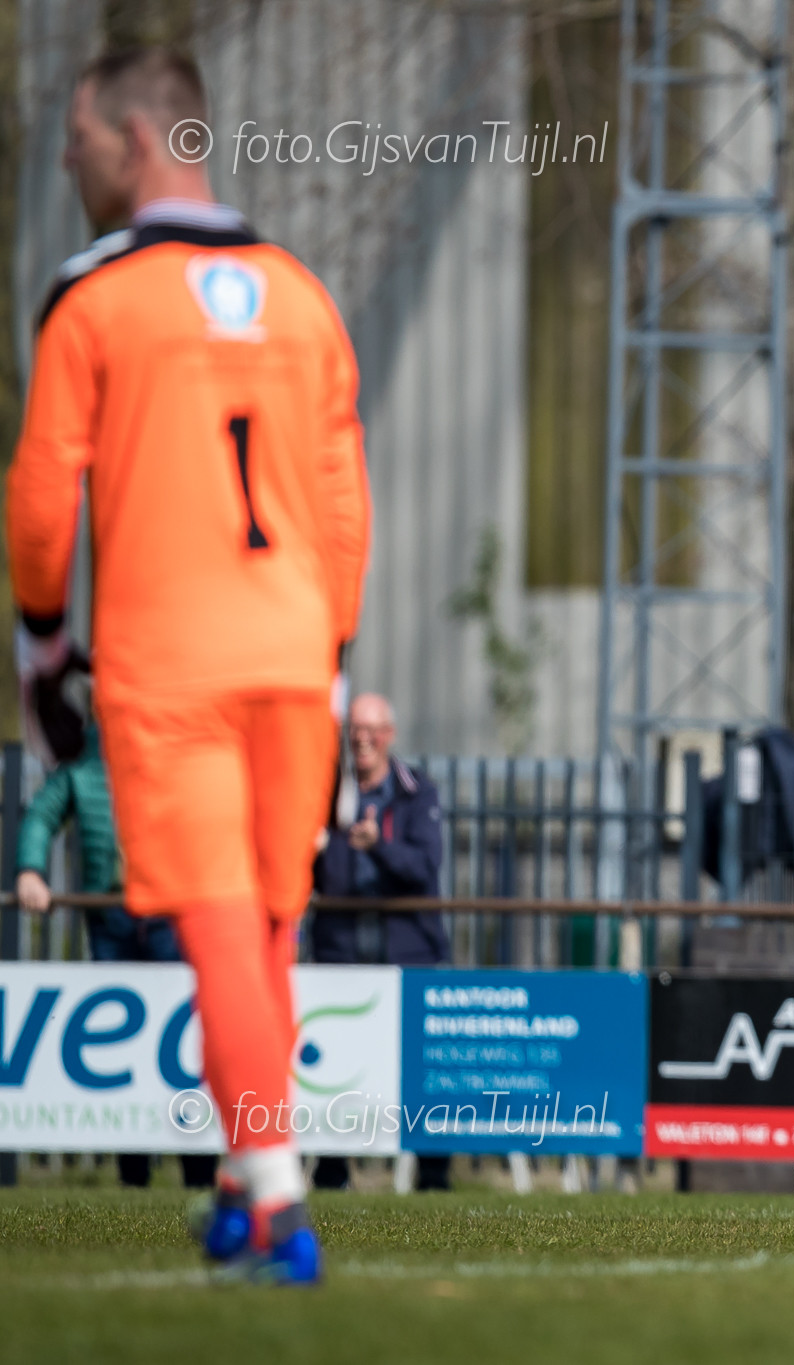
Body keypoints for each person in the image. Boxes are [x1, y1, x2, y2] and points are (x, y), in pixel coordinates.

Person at [9, 48, 371, 1283]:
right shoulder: (303, 296)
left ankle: (279, 1201)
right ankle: (234, 1189)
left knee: (217, 924)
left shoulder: (93, 296)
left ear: (135, 141)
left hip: (173, 659)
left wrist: (44, 643)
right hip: (295, 648)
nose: (66, 159)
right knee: (266, 929)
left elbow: (42, 499)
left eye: (78, 138)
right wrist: (332, 651)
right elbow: (343, 502)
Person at [16, 716, 218, 1191]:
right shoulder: (84, 757)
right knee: (125, 1050)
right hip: (111, 919)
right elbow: (41, 814)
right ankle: (133, 1176)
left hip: (172, 917)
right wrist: (30, 869)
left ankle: (200, 1173)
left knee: (186, 1047)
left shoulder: (181, 743)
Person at [309, 693, 446, 1191]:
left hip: (407, 946)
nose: (363, 739)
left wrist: (379, 847)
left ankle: (433, 1175)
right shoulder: (326, 791)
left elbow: (425, 866)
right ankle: (332, 1170)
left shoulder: (416, 792)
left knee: (422, 1065)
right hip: (342, 946)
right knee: (336, 1061)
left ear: (389, 735)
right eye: (356, 729)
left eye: (373, 729)